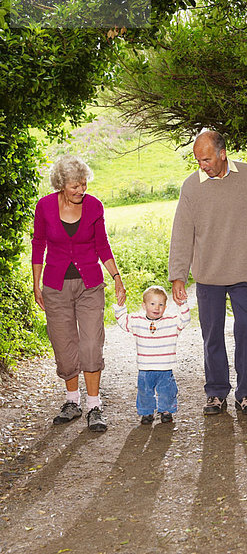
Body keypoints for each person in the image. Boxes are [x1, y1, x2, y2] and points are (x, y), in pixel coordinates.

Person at [169, 130, 247, 416]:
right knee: (212, 334)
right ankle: (216, 392)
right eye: (198, 160)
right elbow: (181, 233)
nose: (202, 165)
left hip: (243, 270)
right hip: (208, 275)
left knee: (246, 330)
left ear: (222, 153)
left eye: (206, 159)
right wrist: (178, 275)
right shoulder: (191, 187)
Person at [32, 154, 126, 432]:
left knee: (91, 344)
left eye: (83, 184)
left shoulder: (95, 206)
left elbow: (102, 245)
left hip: (90, 285)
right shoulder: (45, 206)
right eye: (75, 186)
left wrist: (117, 278)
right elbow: (39, 245)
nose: (80, 190)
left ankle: (94, 406)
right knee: (63, 345)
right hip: (55, 285)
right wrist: (36, 284)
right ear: (61, 184)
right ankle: (71, 402)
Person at [113, 285, 190, 425]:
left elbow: (185, 320)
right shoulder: (137, 320)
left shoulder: (171, 321)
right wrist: (120, 306)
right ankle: (146, 413)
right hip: (145, 367)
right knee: (145, 392)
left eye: (161, 304)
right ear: (144, 305)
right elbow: (123, 321)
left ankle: (166, 411)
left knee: (167, 391)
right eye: (152, 304)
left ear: (165, 307)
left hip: (165, 367)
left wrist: (182, 304)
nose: (157, 308)